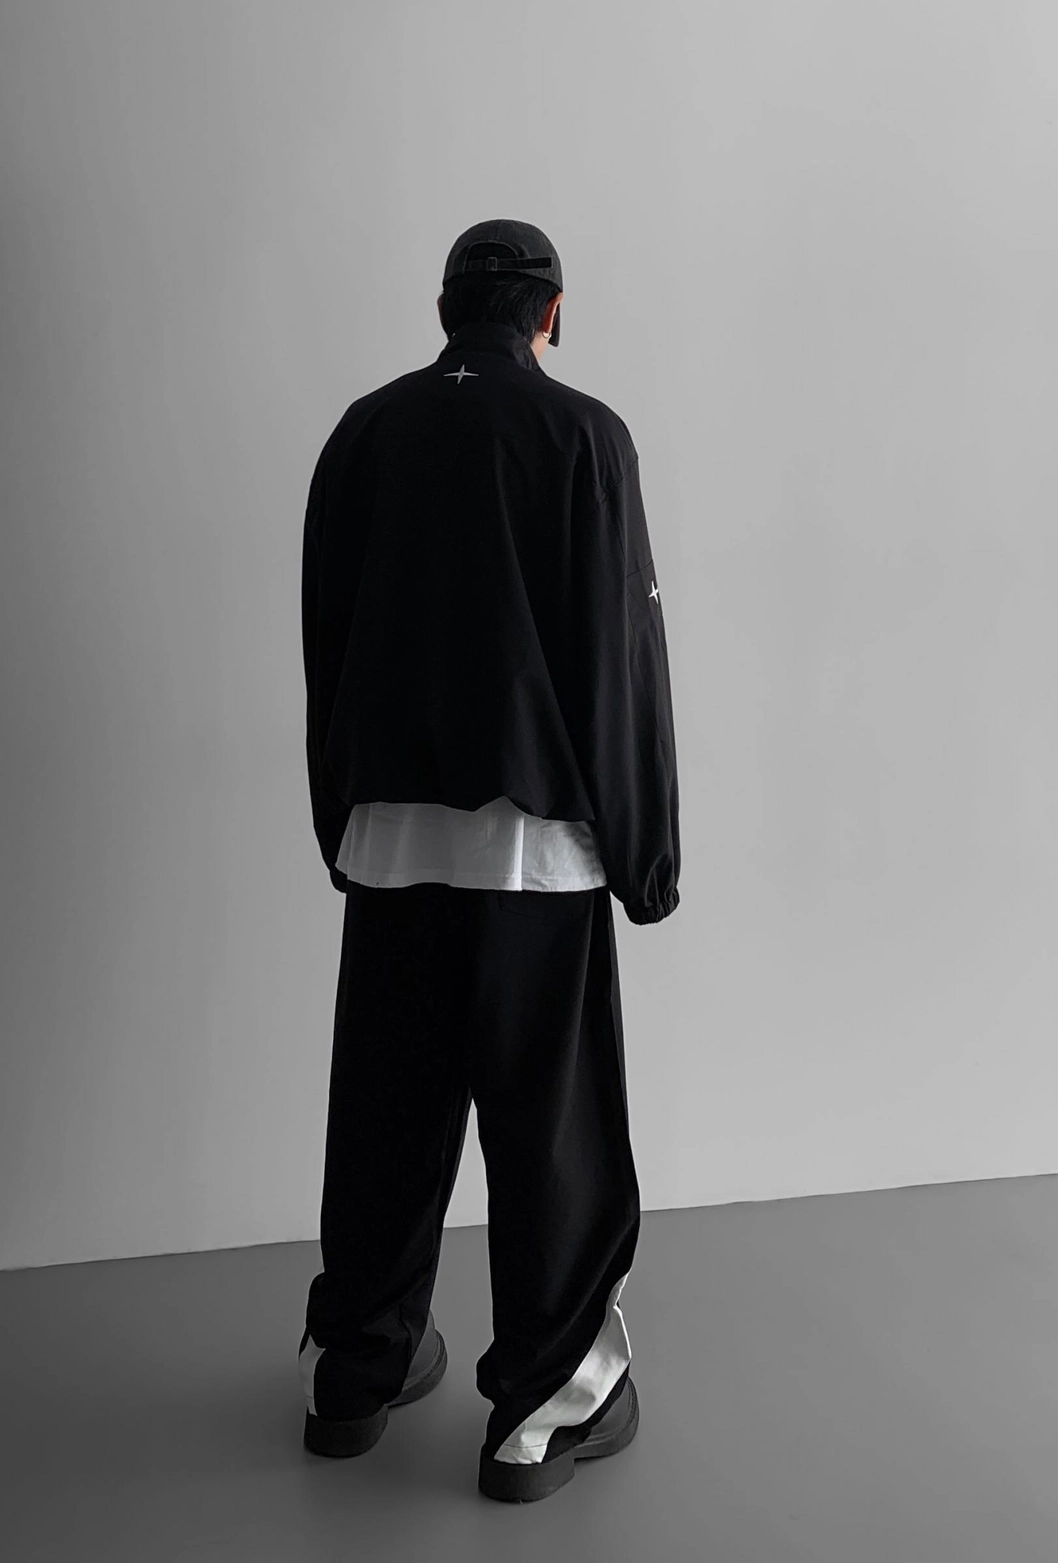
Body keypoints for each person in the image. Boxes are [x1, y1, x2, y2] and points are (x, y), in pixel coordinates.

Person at [297, 218, 681, 1504]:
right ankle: (538, 1416)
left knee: (384, 1117)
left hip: (390, 841)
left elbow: (325, 640)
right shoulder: (583, 437)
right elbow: (617, 657)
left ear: (446, 310)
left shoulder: (364, 432)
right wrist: (645, 854)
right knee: (546, 1136)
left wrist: (337, 819)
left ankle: (354, 1373)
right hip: (534, 853)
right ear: (550, 313)